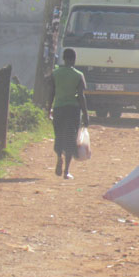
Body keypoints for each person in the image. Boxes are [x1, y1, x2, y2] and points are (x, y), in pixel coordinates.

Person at [47, 48, 89, 180]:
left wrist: (48, 109)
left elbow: (51, 93)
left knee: (59, 135)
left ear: (63, 59)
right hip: (73, 110)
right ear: (74, 60)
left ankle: (59, 156)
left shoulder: (55, 74)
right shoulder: (78, 75)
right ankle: (66, 171)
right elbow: (81, 96)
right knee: (71, 138)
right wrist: (85, 114)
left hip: (59, 108)